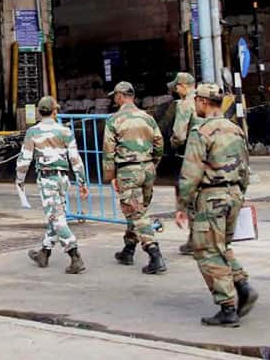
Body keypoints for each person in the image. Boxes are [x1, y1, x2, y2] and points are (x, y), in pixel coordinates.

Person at [176, 82, 257, 327]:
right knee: (221, 245)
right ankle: (242, 285)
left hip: (211, 198)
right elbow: (245, 168)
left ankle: (227, 307)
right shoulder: (235, 129)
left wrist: (182, 205)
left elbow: (191, 172)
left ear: (201, 102)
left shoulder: (201, 132)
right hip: (234, 195)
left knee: (207, 251)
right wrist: (240, 195)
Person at [15, 96, 89, 274]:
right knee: (56, 215)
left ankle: (75, 255)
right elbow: (75, 159)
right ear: (55, 111)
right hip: (63, 178)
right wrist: (82, 181)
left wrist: (20, 180)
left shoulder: (33, 132)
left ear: (39, 112)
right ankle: (44, 252)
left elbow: (24, 159)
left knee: (56, 218)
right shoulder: (65, 131)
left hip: (47, 179)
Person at [103, 81, 167, 274]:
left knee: (136, 213)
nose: (114, 99)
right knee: (138, 210)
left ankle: (154, 254)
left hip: (127, 171)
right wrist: (153, 163)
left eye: (115, 96)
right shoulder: (148, 118)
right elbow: (159, 143)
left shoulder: (114, 120)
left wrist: (110, 176)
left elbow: (108, 151)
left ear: (121, 96)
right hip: (147, 168)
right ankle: (128, 249)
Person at [168, 71, 200, 256]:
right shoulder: (205, 100)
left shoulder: (185, 104)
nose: (176, 90)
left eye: (177, 86)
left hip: (191, 155)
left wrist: (173, 143)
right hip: (210, 154)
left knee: (190, 196)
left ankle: (195, 241)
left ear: (184, 86)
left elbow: (179, 135)